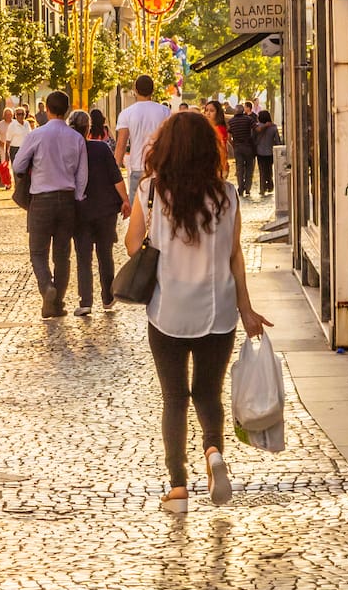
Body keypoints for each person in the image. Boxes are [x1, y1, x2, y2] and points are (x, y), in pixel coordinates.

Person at [122, 110, 271, 515]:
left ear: (166, 148)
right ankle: (213, 452)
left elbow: (133, 246)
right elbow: (235, 256)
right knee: (208, 392)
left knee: (174, 397)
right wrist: (246, 309)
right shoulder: (228, 195)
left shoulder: (151, 191)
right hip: (217, 311)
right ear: (209, 148)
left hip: (167, 310)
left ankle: (178, 488)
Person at [12, 92, 86, 319]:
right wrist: (77, 198)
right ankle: (57, 304)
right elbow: (82, 176)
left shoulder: (37, 134)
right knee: (62, 255)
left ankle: (46, 287)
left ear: (48, 110)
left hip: (41, 199)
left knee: (37, 252)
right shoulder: (76, 138)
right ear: (66, 110)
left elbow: (18, 165)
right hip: (67, 199)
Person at [68, 110, 128, 315]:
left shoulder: (69, 151)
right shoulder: (101, 148)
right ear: (88, 128)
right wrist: (125, 200)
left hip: (80, 210)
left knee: (83, 256)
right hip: (105, 210)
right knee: (105, 254)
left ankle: (85, 301)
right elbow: (116, 177)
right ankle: (108, 298)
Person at [115, 75, 173, 203]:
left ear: (135, 90)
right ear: (153, 90)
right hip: (160, 168)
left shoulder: (127, 113)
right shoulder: (165, 112)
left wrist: (115, 170)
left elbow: (121, 144)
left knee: (136, 208)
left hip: (138, 167)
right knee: (159, 208)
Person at [226, 101, 259, 199]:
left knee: (239, 169)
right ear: (243, 110)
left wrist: (234, 144)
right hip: (248, 146)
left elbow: (229, 137)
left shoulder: (231, 121)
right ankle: (248, 188)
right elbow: (256, 129)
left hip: (237, 147)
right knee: (249, 168)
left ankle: (240, 188)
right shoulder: (248, 119)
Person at [253, 110, 280, 197]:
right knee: (269, 169)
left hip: (259, 151)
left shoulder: (257, 127)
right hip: (270, 151)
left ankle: (262, 188)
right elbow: (277, 140)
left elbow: (253, 137)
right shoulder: (274, 127)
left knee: (262, 170)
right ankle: (270, 185)